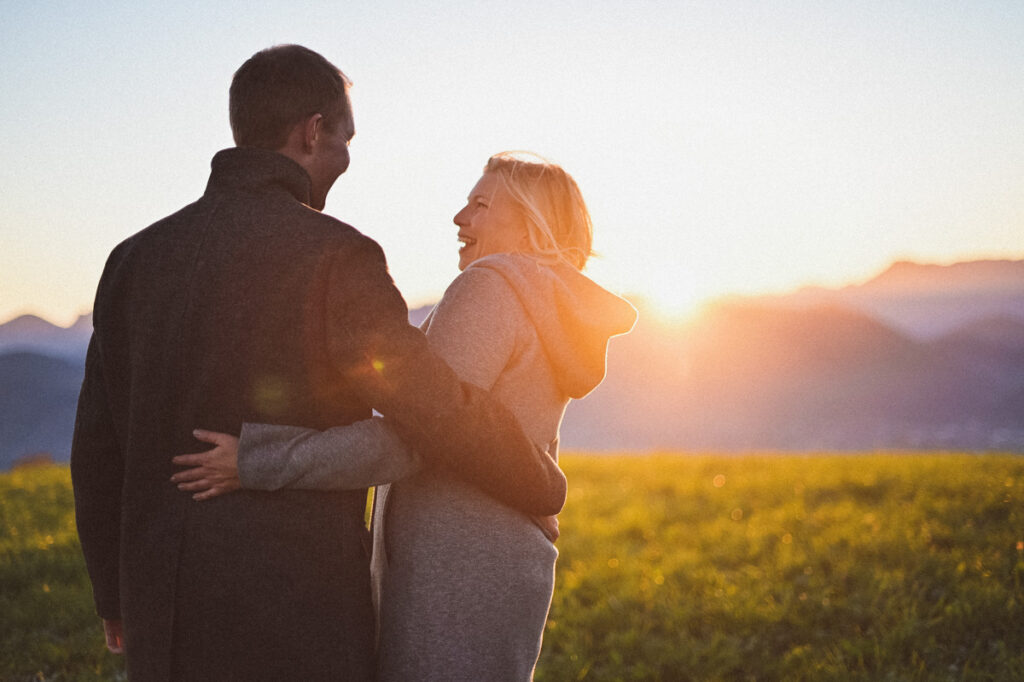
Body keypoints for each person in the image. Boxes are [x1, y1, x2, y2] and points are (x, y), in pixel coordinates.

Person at [70, 46, 566, 681]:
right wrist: (541, 483)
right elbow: (431, 406)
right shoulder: (338, 257)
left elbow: (98, 444)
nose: (345, 159)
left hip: (159, 613)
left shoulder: (132, 260)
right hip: (296, 608)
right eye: (344, 138)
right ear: (312, 131)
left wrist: (113, 594)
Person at [171, 152, 638, 680]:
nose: (460, 219)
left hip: (456, 569)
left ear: (532, 223)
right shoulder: (546, 304)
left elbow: (417, 435)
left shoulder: (492, 287)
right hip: (495, 560)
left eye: (481, 205)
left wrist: (257, 459)